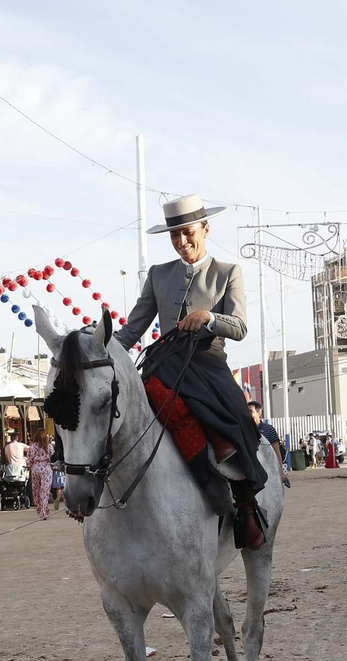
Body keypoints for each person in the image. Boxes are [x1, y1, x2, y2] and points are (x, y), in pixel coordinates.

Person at [114, 193, 267, 548]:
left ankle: (244, 504)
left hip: (207, 362)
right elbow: (131, 330)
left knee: (240, 418)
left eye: (187, 233)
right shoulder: (158, 275)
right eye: (174, 236)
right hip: (164, 362)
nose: (182, 242)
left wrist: (210, 318)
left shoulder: (228, 273)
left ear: (205, 228)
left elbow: (241, 327)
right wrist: (101, 348)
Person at [248, 402, 290, 489]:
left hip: (269, 470)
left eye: (250, 411)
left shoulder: (269, 429)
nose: (247, 414)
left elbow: (277, 452)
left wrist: (281, 472)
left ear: (258, 413)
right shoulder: (245, 430)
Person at [29, 430, 55, 519]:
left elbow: (30, 458)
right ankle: (44, 510)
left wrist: (29, 465)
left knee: (36, 490)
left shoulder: (33, 446)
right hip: (46, 468)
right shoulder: (49, 446)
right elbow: (53, 458)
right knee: (45, 491)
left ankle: (40, 510)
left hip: (36, 468)